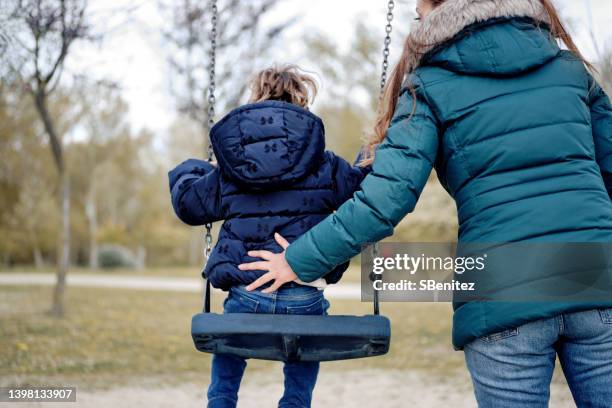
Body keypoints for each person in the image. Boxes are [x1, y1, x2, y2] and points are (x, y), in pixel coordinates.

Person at [239, 1, 612, 407]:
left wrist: (297, 258)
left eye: (420, 14)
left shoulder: (430, 84)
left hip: (503, 286)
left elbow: (385, 199)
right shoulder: (570, 69)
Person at [168, 65, 369, 408]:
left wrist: (194, 170)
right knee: (304, 349)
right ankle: (294, 402)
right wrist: (368, 156)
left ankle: (221, 401)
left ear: (255, 99)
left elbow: (189, 205)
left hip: (247, 295)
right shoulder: (323, 163)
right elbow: (363, 191)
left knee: (228, 343)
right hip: (303, 297)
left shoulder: (232, 169)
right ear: (301, 100)